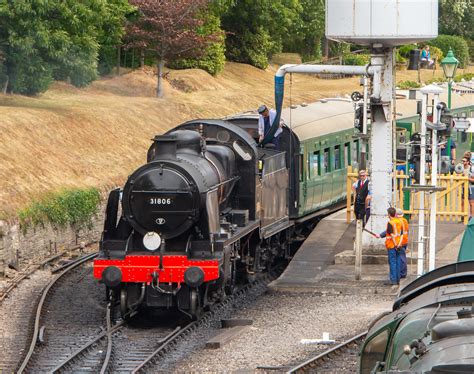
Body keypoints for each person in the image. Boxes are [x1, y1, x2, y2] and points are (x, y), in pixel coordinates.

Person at [375, 208, 403, 285]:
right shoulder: (399, 222)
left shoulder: (390, 223)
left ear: (389, 214)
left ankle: (393, 281)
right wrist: (380, 235)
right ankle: (397, 280)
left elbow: (391, 234)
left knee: (392, 263)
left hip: (392, 246)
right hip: (399, 245)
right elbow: (401, 234)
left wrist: (395, 245)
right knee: (398, 262)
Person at [396, 208, 409, 279]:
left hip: (400, 242)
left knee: (401, 258)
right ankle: (403, 272)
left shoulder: (397, 221)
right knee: (403, 257)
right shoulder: (405, 221)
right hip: (405, 241)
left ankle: (402, 273)